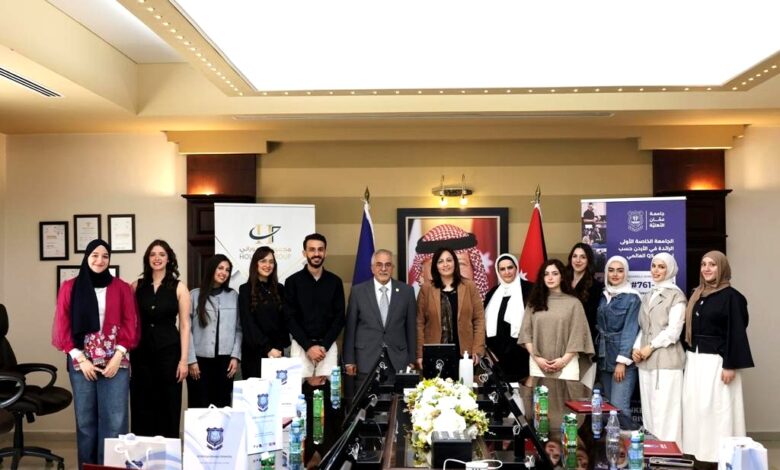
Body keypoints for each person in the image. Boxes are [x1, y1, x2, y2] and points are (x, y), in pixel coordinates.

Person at [52, 239, 140, 467]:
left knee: (115, 421)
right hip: (82, 361)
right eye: (95, 255)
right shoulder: (69, 287)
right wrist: (81, 359)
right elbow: (62, 326)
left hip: (116, 360)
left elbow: (130, 323)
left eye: (105, 256)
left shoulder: (121, 287)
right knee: (86, 422)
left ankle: (111, 467)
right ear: (86, 257)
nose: (100, 260)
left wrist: (118, 356)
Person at [682, 251, 754, 464]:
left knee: (718, 411)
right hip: (695, 360)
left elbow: (737, 332)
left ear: (722, 268)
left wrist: (730, 364)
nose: (706, 268)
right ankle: (699, 454)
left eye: (712, 264)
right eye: (703, 264)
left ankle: (720, 457)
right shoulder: (697, 294)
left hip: (718, 362)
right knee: (697, 408)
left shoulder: (733, 297)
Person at [130, 240, 190, 438]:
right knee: (142, 402)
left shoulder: (179, 287)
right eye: (153, 254)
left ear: (169, 258)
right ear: (147, 259)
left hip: (169, 354)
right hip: (141, 354)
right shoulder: (136, 286)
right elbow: (128, 322)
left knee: (169, 402)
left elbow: (185, 325)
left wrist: (184, 361)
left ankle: (168, 452)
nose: (157, 258)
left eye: (162, 254)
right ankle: (141, 451)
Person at [631, 252, 686, 446]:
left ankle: (670, 455)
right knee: (649, 412)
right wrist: (636, 348)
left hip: (667, 361)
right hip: (646, 362)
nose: (656, 270)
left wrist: (650, 347)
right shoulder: (648, 295)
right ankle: (654, 452)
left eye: (661, 267)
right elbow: (644, 328)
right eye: (654, 266)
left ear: (670, 270)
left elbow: (673, 332)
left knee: (666, 412)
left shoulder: (677, 296)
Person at [343, 249, 417, 379]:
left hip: (398, 360)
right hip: (365, 359)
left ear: (392, 268)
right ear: (372, 268)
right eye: (379, 265)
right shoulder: (358, 292)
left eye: (388, 265)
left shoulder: (407, 291)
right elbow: (350, 329)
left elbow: (411, 328)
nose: (383, 269)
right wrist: (349, 360)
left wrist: (412, 359)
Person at [519, 259, 594, 380]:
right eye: (546, 274)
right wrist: (537, 359)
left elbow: (578, 336)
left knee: (568, 394)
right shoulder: (533, 303)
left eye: (555, 273)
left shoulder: (574, 303)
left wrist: (563, 361)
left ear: (562, 277)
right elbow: (526, 334)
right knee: (540, 394)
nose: (550, 277)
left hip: (568, 364)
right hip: (537, 363)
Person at [285, 233, 345, 377]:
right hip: (301, 347)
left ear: (325, 252)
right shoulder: (292, 282)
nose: (316, 254)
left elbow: (339, 317)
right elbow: (289, 318)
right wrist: (308, 347)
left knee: (330, 389)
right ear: (304, 253)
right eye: (312, 249)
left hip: (328, 348)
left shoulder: (335, 282)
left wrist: (324, 346)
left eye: (320, 249)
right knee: (298, 389)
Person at [416, 247, 485, 368]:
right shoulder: (426, 289)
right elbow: (419, 323)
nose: (445, 264)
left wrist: (477, 349)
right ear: (435, 266)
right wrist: (420, 354)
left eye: (449, 260)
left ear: (455, 263)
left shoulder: (469, 286)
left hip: (465, 354)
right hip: (434, 352)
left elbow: (479, 320)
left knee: (464, 381)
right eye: (440, 261)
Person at [187, 255, 242, 407]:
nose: (224, 272)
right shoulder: (194, 295)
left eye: (227, 270)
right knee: (199, 405)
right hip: (199, 362)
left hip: (225, 362)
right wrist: (191, 360)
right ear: (212, 269)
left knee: (222, 406)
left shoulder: (233, 296)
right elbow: (186, 330)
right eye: (220, 268)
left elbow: (239, 329)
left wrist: (235, 356)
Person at [596, 256, 641, 419]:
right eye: (611, 270)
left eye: (620, 271)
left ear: (626, 273)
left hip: (622, 360)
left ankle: (627, 436)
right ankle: (613, 438)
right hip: (603, 358)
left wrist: (622, 362)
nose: (615, 274)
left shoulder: (632, 297)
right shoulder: (603, 295)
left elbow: (630, 330)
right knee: (608, 407)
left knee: (619, 407)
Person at [238, 246, 289, 379]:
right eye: (263, 261)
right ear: (255, 264)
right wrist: (267, 348)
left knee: (278, 390)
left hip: (277, 353)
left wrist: (279, 348)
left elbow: (284, 321)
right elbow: (248, 324)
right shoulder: (245, 290)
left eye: (271, 262)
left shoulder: (280, 289)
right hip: (254, 355)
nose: (268, 265)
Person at [483, 253, 533, 381]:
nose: (507, 272)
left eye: (510, 267)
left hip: (522, 352)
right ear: (498, 271)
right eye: (502, 269)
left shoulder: (530, 290)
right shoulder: (492, 293)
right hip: (496, 356)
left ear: (516, 268)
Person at [408, 223, 491, 299]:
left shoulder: (489, 308)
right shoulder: (411, 307)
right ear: (422, 273)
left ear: (473, 270)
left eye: (460, 264)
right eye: (438, 263)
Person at [566, 242, 604, 386]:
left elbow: (592, 319)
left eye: (583, 257)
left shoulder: (596, 287)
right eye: (575, 256)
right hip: (561, 343)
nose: (578, 260)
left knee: (582, 391)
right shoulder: (561, 282)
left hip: (583, 345)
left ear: (589, 261)